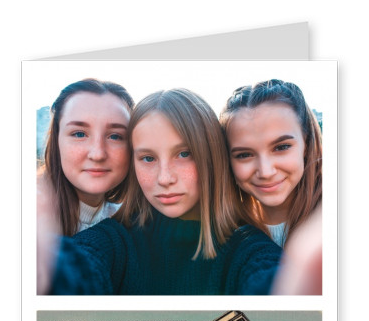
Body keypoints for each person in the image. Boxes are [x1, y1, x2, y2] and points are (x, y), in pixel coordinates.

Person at [39, 88, 282, 295]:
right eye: (147, 158)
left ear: (211, 156)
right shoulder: (116, 240)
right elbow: (79, 264)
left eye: (184, 154)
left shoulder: (249, 250)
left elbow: (273, 282)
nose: (164, 178)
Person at [220, 79, 322, 249]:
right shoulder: (225, 235)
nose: (266, 172)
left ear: (307, 143)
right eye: (244, 155)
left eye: (281, 147)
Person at [40, 78, 134, 236]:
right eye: (79, 134)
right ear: (57, 141)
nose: (97, 154)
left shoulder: (132, 226)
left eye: (115, 136)